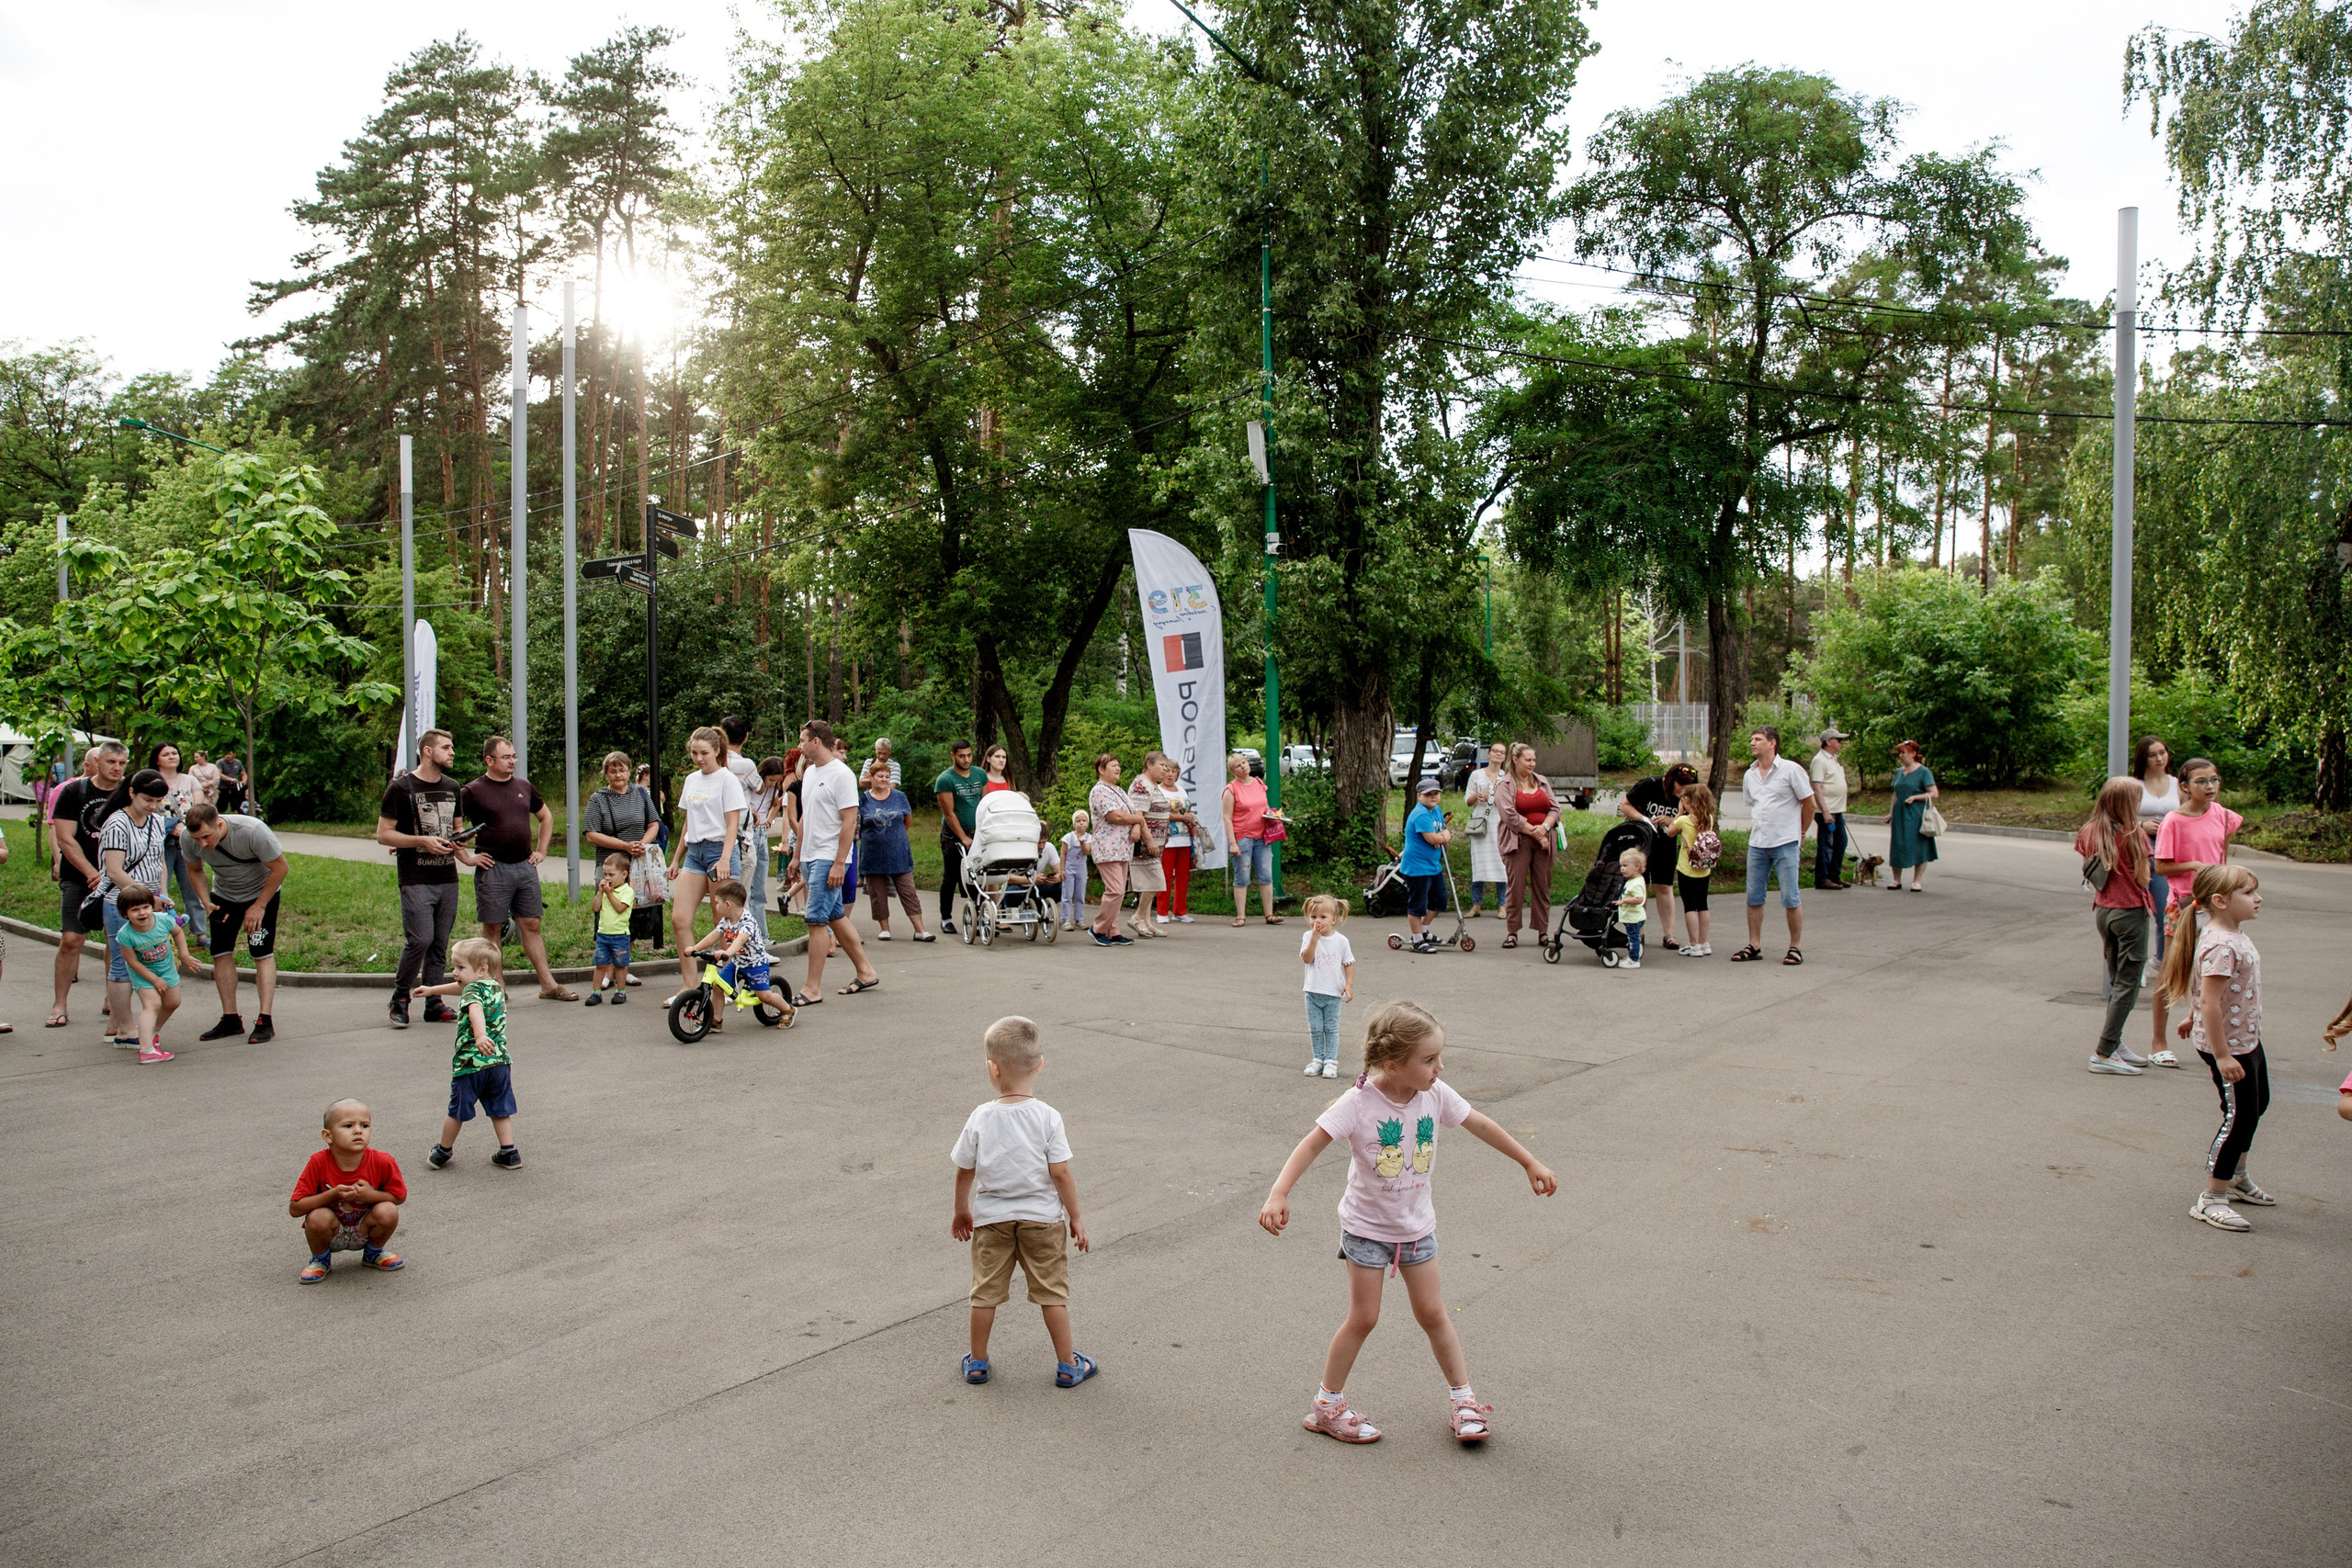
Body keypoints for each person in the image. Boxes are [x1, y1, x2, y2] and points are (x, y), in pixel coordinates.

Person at [1257, 1000, 1557, 1446]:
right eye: (1430, 1059)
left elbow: (1480, 1124)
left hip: (1417, 1230)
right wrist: (1279, 1192)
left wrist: (1527, 1161)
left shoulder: (1435, 1094)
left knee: (1434, 1313)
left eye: (1439, 1057)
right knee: (1364, 1318)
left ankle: (1464, 1401)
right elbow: (1310, 1144)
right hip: (1367, 1231)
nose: (1440, 1066)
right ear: (1394, 1063)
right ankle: (1326, 1406)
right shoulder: (1358, 1103)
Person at [949, 1015, 1097, 1388]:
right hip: (1043, 1220)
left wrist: (961, 1210)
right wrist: (1075, 1216)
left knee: (984, 1292)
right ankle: (1067, 1364)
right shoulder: (1048, 1116)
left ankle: (979, 1362)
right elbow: (1060, 1173)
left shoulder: (981, 1116)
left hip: (991, 1220)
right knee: (1052, 1293)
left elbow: (965, 1169)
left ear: (992, 1068)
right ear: (1040, 1065)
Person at [2155, 866, 2270, 1232]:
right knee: (2239, 1117)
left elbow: (2205, 992)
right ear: (2220, 902)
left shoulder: (2230, 933)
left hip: (2246, 1038)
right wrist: (2222, 1055)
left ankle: (2236, 1176)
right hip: (2229, 1045)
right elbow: (2210, 1001)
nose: (2258, 898)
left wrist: (2192, 1015)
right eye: (2249, 893)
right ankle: (2212, 1197)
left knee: (2257, 1104)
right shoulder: (2222, 943)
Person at [459, 737, 575, 1002]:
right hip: (493, 868)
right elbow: (454, 827)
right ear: (489, 760)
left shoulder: (524, 786)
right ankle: (497, 986)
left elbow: (545, 816)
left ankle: (548, 985)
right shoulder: (473, 791)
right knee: (493, 928)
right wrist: (465, 858)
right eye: (506, 757)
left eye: (514, 756)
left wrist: (542, 850)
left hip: (524, 867)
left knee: (531, 924)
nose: (512, 761)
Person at [2152, 757, 2240, 1069]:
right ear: (2185, 786)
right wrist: (2192, 866)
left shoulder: (2226, 817)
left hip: (2218, 904)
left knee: (2219, 971)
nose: (2210, 787)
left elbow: (2223, 856)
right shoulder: (2174, 821)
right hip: (2184, 904)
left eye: (2214, 780)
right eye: (2201, 781)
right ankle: (2158, 1042)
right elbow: (2161, 866)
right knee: (2172, 970)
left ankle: (2220, 1042)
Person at [178, 801, 288, 1044]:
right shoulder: (188, 838)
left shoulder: (252, 831)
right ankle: (230, 1019)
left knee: (261, 953)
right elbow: (194, 870)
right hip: (224, 895)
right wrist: (206, 901)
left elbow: (280, 868)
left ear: (218, 824)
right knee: (220, 952)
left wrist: (259, 906)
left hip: (262, 894)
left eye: (206, 836)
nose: (202, 844)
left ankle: (265, 1020)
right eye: (197, 839)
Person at [378, 728, 466, 1030]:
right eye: (446, 747)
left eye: (452, 747)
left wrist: (459, 841)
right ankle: (400, 998)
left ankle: (433, 1001)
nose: (452, 752)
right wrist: (422, 841)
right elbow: (383, 834)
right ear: (427, 751)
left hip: (447, 876)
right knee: (421, 939)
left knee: (440, 942)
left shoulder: (454, 787)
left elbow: (456, 830)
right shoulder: (401, 788)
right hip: (415, 876)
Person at [414, 936, 523, 1171]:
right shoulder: (495, 986)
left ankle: (442, 1152)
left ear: (481, 968)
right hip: (499, 1063)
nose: (455, 972)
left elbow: (475, 1011)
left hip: (471, 1063)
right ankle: (509, 1152)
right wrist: (432, 990)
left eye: (460, 967)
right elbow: (462, 988)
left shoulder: (473, 991)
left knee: (457, 1110)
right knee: (499, 1108)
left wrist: (480, 1035)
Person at [2075, 778, 2158, 1075]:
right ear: (2127, 804)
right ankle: (2104, 1051)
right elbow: (2144, 879)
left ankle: (2116, 1042)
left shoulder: (2089, 830)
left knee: (2116, 980)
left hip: (2104, 912)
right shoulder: (2133, 835)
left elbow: (2088, 863)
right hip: (2130, 913)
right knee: (2128, 983)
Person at [796, 721, 883, 1002]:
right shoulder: (809, 773)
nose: (799, 746)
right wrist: (797, 855)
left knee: (816, 921)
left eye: (802, 740)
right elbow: (805, 817)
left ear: (816, 742)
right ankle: (866, 971)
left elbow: (849, 821)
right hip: (810, 856)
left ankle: (812, 989)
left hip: (829, 858)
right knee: (835, 916)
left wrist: (839, 863)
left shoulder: (841, 774)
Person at [45, 740, 126, 1031]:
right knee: (71, 940)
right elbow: (66, 838)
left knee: (114, 940)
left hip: (117, 878)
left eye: (122, 763)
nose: (116, 768)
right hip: (79, 876)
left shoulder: (128, 792)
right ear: (97, 762)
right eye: (111, 762)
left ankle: (111, 998)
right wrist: (92, 873)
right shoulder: (74, 791)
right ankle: (60, 1004)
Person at [97, 768, 175, 1049]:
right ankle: (124, 1029)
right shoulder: (117, 824)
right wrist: (147, 898)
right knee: (122, 964)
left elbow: (160, 862)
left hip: (152, 901)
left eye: (158, 801)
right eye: (147, 800)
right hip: (120, 904)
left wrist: (162, 894)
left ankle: (126, 1026)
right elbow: (115, 871)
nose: (153, 807)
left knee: (147, 962)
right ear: (131, 793)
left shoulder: (157, 821)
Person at [288, 1099, 405, 1284]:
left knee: (388, 1210)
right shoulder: (318, 1162)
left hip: (364, 1227)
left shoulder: (383, 1161)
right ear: (328, 1136)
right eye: (348, 1125)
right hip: (332, 1231)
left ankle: (373, 1254)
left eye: (365, 1125)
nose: (358, 1130)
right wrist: (332, 1195)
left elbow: (399, 1197)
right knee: (317, 1217)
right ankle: (320, 1259)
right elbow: (295, 1209)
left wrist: (370, 1196)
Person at [667, 728, 748, 975]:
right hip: (695, 852)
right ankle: (689, 984)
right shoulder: (692, 780)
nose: (699, 758)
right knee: (679, 920)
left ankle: (724, 981)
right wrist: (675, 859)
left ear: (717, 751)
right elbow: (689, 823)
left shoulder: (727, 779)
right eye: (694, 753)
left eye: (704, 753)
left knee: (722, 921)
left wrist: (725, 858)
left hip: (719, 851)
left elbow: (733, 822)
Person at [1733, 726, 1815, 965]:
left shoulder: (1791, 770)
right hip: (1758, 843)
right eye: (1751, 739)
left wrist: (1800, 833)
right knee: (1754, 896)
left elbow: (1809, 804)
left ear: (1772, 743)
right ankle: (1754, 945)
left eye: (1757, 739)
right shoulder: (1750, 775)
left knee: (1791, 896)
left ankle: (1795, 947)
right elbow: (1755, 805)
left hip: (1785, 842)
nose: (1752, 743)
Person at [584, 750, 663, 964]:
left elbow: (654, 823)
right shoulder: (598, 799)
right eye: (613, 771)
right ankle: (606, 967)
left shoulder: (640, 794)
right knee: (608, 914)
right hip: (609, 865)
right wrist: (624, 846)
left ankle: (622, 967)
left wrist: (642, 844)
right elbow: (591, 834)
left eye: (622, 770)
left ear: (629, 771)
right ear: (606, 774)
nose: (618, 775)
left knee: (633, 916)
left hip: (636, 864)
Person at [685, 880, 796, 1030]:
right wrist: (694, 948)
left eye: (718, 903)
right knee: (718, 987)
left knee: (764, 996)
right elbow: (714, 935)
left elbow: (740, 940)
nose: (716, 906)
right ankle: (716, 1020)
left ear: (728, 904)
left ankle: (787, 1009)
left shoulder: (747, 922)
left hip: (755, 964)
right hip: (738, 962)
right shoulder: (726, 920)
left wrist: (727, 952)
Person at [1617, 762, 1696, 948]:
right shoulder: (1649, 785)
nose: (1683, 791)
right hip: (1640, 842)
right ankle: (1639, 932)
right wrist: (1644, 819)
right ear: (1671, 781)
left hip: (1665, 843)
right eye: (1680, 786)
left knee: (1664, 886)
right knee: (1640, 885)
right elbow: (1625, 806)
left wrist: (1672, 820)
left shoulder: (1687, 795)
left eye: (1687, 788)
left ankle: (1669, 934)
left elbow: (1693, 817)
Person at [1495, 743, 1558, 951]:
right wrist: (1537, 834)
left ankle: (1543, 931)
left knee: (1543, 885)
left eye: (1534, 760)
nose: (1532, 764)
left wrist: (1546, 827)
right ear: (1515, 759)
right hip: (1518, 842)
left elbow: (1555, 808)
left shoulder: (1541, 781)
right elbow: (1509, 815)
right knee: (1516, 887)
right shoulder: (1505, 784)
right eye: (1528, 760)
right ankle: (1512, 932)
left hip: (1545, 841)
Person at [858, 761, 931, 941]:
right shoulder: (863, 800)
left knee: (908, 891)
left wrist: (894, 835)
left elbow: (907, 820)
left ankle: (920, 930)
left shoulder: (899, 796)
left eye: (887, 777)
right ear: (870, 777)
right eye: (880, 776)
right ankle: (884, 928)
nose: (884, 780)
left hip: (898, 852)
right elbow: (858, 825)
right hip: (873, 853)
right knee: (877, 894)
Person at [112, 886, 182, 1064]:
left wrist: (185, 956)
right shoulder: (125, 935)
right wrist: (154, 979)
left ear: (152, 906)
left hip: (166, 968)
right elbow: (133, 962)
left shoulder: (163, 920)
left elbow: (178, 932)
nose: (142, 913)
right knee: (153, 1005)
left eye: (145, 907)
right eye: (135, 910)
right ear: (125, 914)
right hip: (143, 973)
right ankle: (147, 1050)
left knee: (173, 1002)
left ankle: (152, 1033)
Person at [719, 717, 771, 947]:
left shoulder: (716, 763)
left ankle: (730, 946)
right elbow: (760, 787)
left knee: (725, 898)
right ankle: (752, 947)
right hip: (742, 838)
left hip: (719, 837)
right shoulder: (744, 764)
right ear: (746, 737)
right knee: (742, 896)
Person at [2133, 736, 2178, 974]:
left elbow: (2186, 815)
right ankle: (2134, 966)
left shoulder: (2176, 783)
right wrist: (2141, 826)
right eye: (2153, 754)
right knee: (2136, 912)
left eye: (2163, 752)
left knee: (2164, 911)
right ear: (2143, 758)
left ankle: (2162, 961)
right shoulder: (2134, 785)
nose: (2160, 758)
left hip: (2166, 851)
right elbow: (2117, 818)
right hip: (2138, 850)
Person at [1299, 894, 1355, 1078]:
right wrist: (1315, 939)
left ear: (1334, 919)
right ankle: (1317, 1059)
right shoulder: (1308, 936)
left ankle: (1331, 1061)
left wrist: (1349, 984)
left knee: (1331, 1028)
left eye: (1323, 917)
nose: (1318, 921)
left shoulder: (1341, 941)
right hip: (1312, 992)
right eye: (1313, 917)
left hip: (1333, 993)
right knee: (1315, 1027)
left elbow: (1348, 963)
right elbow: (1307, 959)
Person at [1088, 754, 1141, 946]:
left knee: (1120, 890)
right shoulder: (1099, 791)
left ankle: (1113, 930)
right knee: (1116, 889)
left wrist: (1137, 824)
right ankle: (1098, 928)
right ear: (1101, 769)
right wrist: (1138, 821)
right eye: (1113, 765)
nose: (1118, 768)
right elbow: (1115, 816)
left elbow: (1135, 814)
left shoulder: (1119, 790)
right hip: (1107, 847)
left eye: (1119, 765)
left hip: (1123, 847)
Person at [934, 741, 987, 936]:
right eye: (961, 756)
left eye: (969, 755)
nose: (966, 759)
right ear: (953, 756)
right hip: (953, 834)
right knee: (952, 876)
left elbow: (984, 803)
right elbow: (949, 813)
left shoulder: (979, 774)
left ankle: (980, 918)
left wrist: (981, 831)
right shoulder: (945, 780)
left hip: (976, 832)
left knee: (977, 875)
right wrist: (963, 837)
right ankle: (946, 918)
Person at [148, 743, 207, 918]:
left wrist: (187, 829)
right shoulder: (150, 782)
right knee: (159, 886)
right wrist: (172, 826)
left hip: (188, 840)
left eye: (175, 753)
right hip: (160, 841)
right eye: (166, 754)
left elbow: (199, 808)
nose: (172, 756)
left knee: (193, 886)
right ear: (156, 759)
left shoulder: (190, 780)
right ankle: (160, 925)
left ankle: (200, 932)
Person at [1222, 751, 1281, 925]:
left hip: (1262, 836)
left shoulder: (1258, 782)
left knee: (1266, 875)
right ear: (1233, 771)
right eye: (1239, 765)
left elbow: (1265, 806)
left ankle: (1269, 914)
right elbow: (1227, 818)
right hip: (1243, 837)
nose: (1244, 766)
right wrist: (1233, 843)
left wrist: (1272, 814)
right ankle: (1241, 916)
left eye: (1244, 762)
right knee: (1242, 876)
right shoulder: (1231, 789)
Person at [1664, 782, 1719, 957]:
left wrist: (1679, 813)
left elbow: (1669, 832)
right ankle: (1704, 943)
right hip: (1704, 869)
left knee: (1690, 907)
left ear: (1687, 800)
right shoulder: (1709, 818)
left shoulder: (1683, 820)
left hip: (1687, 868)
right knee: (1703, 905)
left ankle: (1693, 944)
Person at [1399, 776, 1452, 953]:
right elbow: (1433, 838)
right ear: (1419, 796)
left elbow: (1443, 830)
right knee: (1417, 905)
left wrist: (1443, 836)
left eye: (1436, 794)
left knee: (1439, 900)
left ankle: (1424, 930)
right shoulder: (1420, 814)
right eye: (1429, 794)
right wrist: (1443, 837)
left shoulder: (1436, 811)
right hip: (1417, 867)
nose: (1433, 797)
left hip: (1432, 865)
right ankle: (1416, 940)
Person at [1123, 753, 1169, 941]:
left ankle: (1146, 922)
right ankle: (1137, 917)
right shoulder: (1141, 784)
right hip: (1145, 842)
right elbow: (1138, 814)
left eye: (1167, 766)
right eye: (1162, 765)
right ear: (1149, 765)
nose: (1166, 769)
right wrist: (1148, 839)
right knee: (1156, 880)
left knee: (1149, 882)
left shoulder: (1153, 785)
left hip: (1157, 842)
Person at [1149, 754, 1200, 925]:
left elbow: (1187, 810)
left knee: (1183, 876)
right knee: (1164, 876)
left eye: (1174, 771)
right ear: (1161, 772)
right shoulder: (1157, 790)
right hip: (1167, 840)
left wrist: (1191, 817)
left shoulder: (1182, 790)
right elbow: (1159, 813)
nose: (1170, 774)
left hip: (1185, 840)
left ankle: (1179, 911)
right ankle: (1162, 912)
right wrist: (1182, 818)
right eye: (1167, 770)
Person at [1885, 740, 1939, 892]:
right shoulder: (1898, 772)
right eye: (1900, 753)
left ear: (1913, 754)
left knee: (1918, 845)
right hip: (1900, 813)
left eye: (1904, 753)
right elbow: (1895, 794)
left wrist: (1916, 798)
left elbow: (1934, 793)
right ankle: (1896, 879)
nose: (1901, 756)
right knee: (1898, 843)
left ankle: (1917, 880)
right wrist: (1891, 812)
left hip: (1916, 813)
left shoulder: (1923, 772)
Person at [1462, 741, 1508, 916]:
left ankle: (1503, 905)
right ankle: (1476, 905)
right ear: (1488, 754)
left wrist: (1496, 799)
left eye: (1501, 752)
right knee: (1478, 864)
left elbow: (1512, 803)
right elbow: (1467, 800)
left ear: (1504, 757)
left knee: (1501, 864)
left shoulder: (1506, 778)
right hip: (1480, 823)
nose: (1497, 755)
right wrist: (1477, 796)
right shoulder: (1476, 775)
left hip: (1499, 824)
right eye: (1495, 751)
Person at [584, 853, 635, 1006]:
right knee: (600, 964)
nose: (607, 878)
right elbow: (595, 907)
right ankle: (596, 992)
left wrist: (609, 893)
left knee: (620, 965)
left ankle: (620, 991)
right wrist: (600, 893)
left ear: (624, 874)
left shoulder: (627, 892)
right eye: (605, 874)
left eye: (611, 874)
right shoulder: (606, 891)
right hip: (603, 934)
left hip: (620, 935)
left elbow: (620, 908)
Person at [1809, 728, 1852, 889]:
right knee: (1827, 845)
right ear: (1828, 742)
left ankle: (1834, 875)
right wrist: (1825, 811)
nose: (1841, 743)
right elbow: (1817, 787)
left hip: (1837, 810)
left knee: (1841, 843)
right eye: (1838, 740)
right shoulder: (1820, 760)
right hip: (1827, 811)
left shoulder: (1833, 759)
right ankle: (1822, 878)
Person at [1614, 847, 1649, 968]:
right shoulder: (1633, 880)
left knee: (1633, 939)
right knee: (1633, 938)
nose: (1622, 869)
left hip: (1634, 918)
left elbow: (1639, 899)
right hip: (1631, 916)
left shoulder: (1637, 883)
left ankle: (1634, 960)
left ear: (1637, 867)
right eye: (1621, 866)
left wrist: (1624, 901)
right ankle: (1633, 955)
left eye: (1625, 865)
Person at [1057, 810, 1091, 931]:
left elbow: (1086, 851)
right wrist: (1062, 870)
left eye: (1084, 821)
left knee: (1080, 894)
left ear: (1088, 823)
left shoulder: (1089, 837)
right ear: (1074, 824)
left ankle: (1079, 919)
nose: (1081, 823)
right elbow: (1063, 854)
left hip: (1081, 868)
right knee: (1067, 894)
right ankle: (1065, 919)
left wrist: (1082, 842)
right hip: (1069, 868)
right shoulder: (1068, 837)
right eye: (1078, 821)